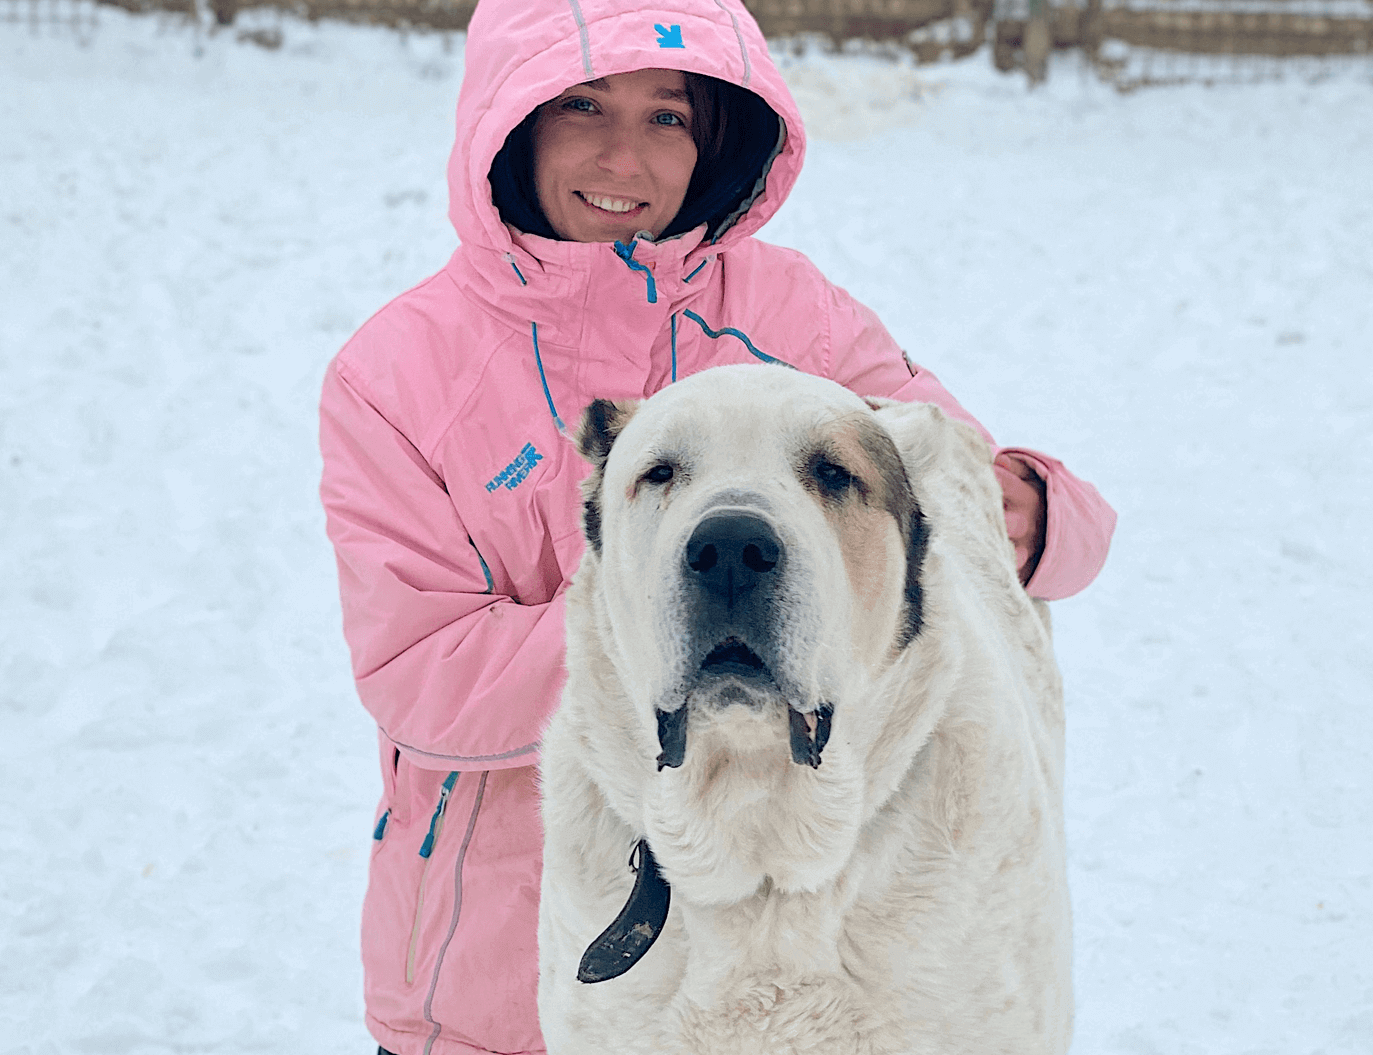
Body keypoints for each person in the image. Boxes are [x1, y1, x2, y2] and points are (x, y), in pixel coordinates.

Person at [318, 1, 1117, 1052]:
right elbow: (421, 670)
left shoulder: (795, 319)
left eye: (668, 118)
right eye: (580, 106)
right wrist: (670, 616)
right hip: (497, 964)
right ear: (507, 122)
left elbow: (951, 493)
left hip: (816, 961)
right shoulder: (397, 375)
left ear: (717, 137)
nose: (624, 156)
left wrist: (1037, 508)